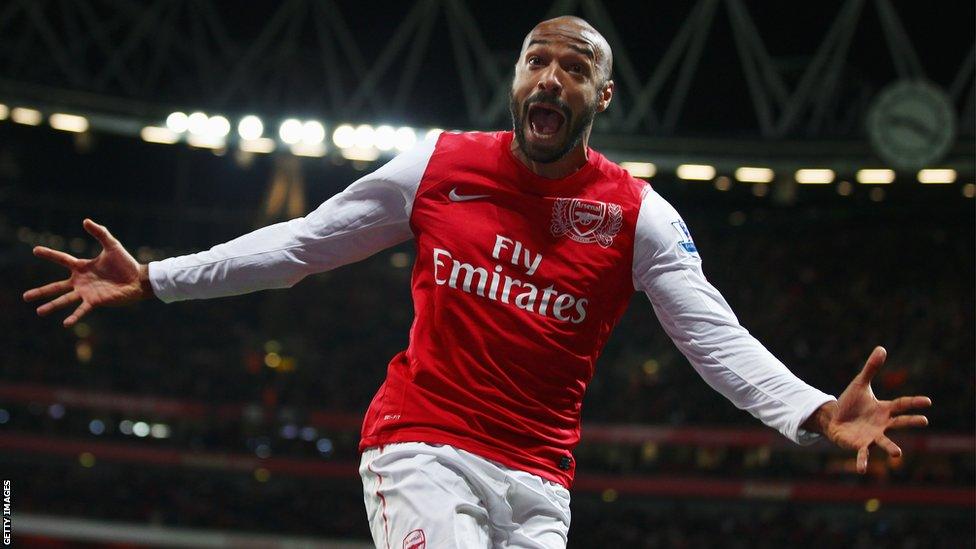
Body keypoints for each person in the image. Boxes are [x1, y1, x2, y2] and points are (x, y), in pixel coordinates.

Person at [24, 16, 931, 549]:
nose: (550, 76)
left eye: (575, 68)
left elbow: (714, 337)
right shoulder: (437, 166)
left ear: (601, 99)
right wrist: (157, 278)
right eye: (537, 60)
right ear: (516, 80)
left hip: (542, 479)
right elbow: (304, 245)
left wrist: (813, 409)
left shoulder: (637, 216)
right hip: (423, 446)